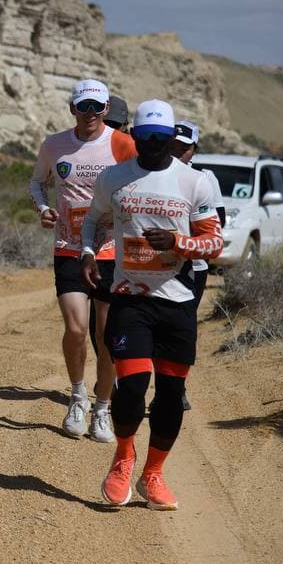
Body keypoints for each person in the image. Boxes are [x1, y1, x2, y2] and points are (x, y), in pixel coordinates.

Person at [80, 99, 222, 510]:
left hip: (178, 301)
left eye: (162, 138)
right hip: (130, 298)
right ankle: (123, 457)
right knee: (133, 387)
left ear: (173, 138)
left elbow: (213, 242)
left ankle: (153, 474)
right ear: (135, 137)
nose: (154, 144)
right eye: (145, 137)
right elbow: (93, 220)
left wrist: (180, 243)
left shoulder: (194, 182)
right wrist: (88, 253)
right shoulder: (114, 178)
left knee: (171, 394)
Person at [29, 79, 137, 442]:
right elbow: (36, 183)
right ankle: (77, 397)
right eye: (83, 107)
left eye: (96, 107)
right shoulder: (54, 145)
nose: (89, 114)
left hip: (110, 251)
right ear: (72, 109)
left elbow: (142, 182)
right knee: (76, 329)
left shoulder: (123, 144)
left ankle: (102, 407)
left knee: (105, 335)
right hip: (69, 247)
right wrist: (44, 208)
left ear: (106, 110)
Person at [153, 120, 226, 412]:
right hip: (151, 266)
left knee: (180, 328)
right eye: (173, 147)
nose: (178, 153)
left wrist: (179, 240)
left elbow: (216, 225)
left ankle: (173, 390)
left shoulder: (205, 179)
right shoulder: (152, 174)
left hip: (192, 267)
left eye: (184, 148)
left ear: (194, 149)